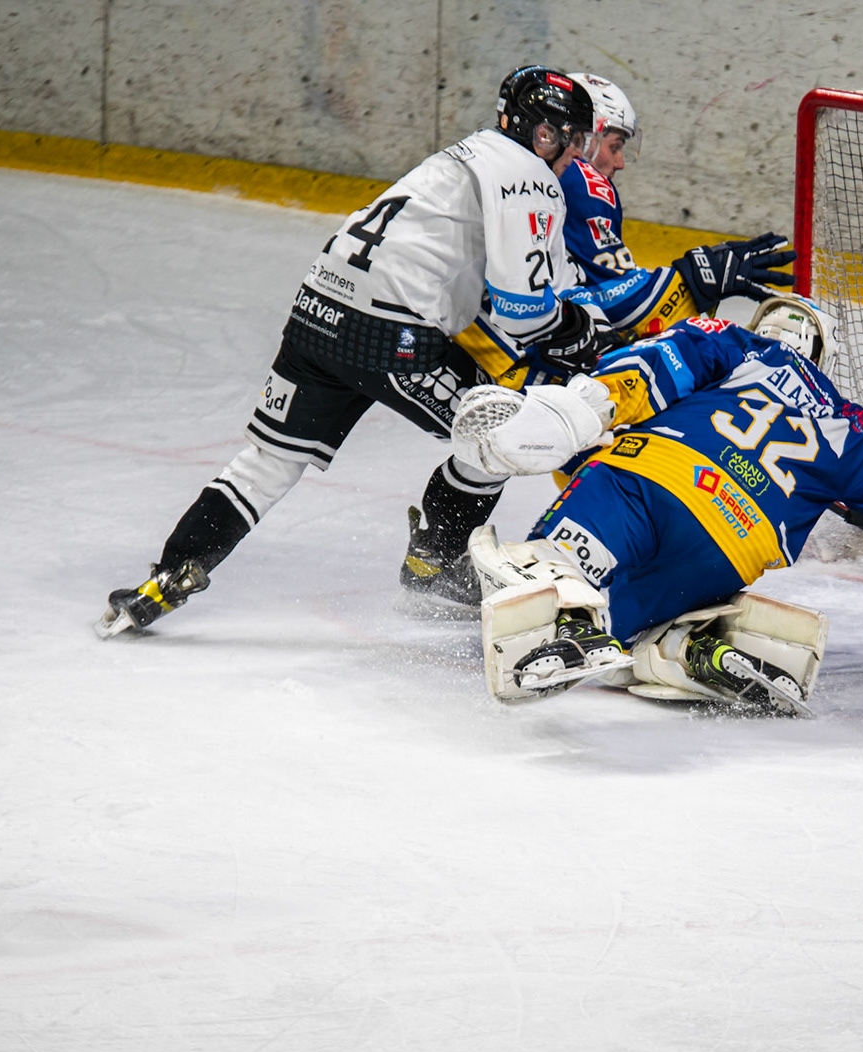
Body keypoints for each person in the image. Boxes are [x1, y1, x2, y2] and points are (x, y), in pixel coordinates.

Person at [97, 66, 609, 637]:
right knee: (503, 432)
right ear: (544, 133)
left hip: (317, 311)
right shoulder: (528, 175)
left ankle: (167, 577)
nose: (577, 155)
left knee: (269, 462)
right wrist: (580, 332)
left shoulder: (461, 157)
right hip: (388, 333)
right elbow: (524, 312)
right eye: (574, 140)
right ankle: (436, 567)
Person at [449, 298, 863, 714]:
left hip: (650, 482)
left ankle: (568, 611)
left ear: (765, 327)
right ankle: (682, 649)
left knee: (560, 580)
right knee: (622, 630)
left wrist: (580, 409)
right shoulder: (850, 427)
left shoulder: (735, 343)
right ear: (821, 357)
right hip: (730, 545)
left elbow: (650, 370)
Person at [396, 72, 798, 608]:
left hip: (471, 328)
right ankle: (628, 578)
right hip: (511, 339)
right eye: (613, 143)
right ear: (581, 137)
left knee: (504, 435)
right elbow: (613, 303)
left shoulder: (516, 167)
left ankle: (435, 557)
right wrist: (688, 282)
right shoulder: (579, 182)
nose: (618, 161)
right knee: (607, 428)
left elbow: (587, 295)